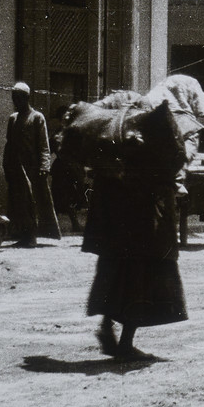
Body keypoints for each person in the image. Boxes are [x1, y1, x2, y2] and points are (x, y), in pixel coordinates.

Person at [82, 91, 189, 361]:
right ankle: (126, 344)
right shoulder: (154, 139)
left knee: (114, 276)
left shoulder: (114, 149)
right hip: (143, 229)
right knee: (141, 284)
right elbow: (174, 162)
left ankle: (107, 327)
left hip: (117, 229)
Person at [2, 80, 60, 247]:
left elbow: (43, 145)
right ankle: (23, 235)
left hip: (33, 169)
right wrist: (6, 164)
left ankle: (32, 236)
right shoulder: (12, 119)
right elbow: (9, 144)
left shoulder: (37, 117)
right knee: (18, 203)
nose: (15, 102)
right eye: (14, 98)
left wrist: (44, 166)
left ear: (26, 98)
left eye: (18, 98)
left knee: (33, 202)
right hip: (16, 168)